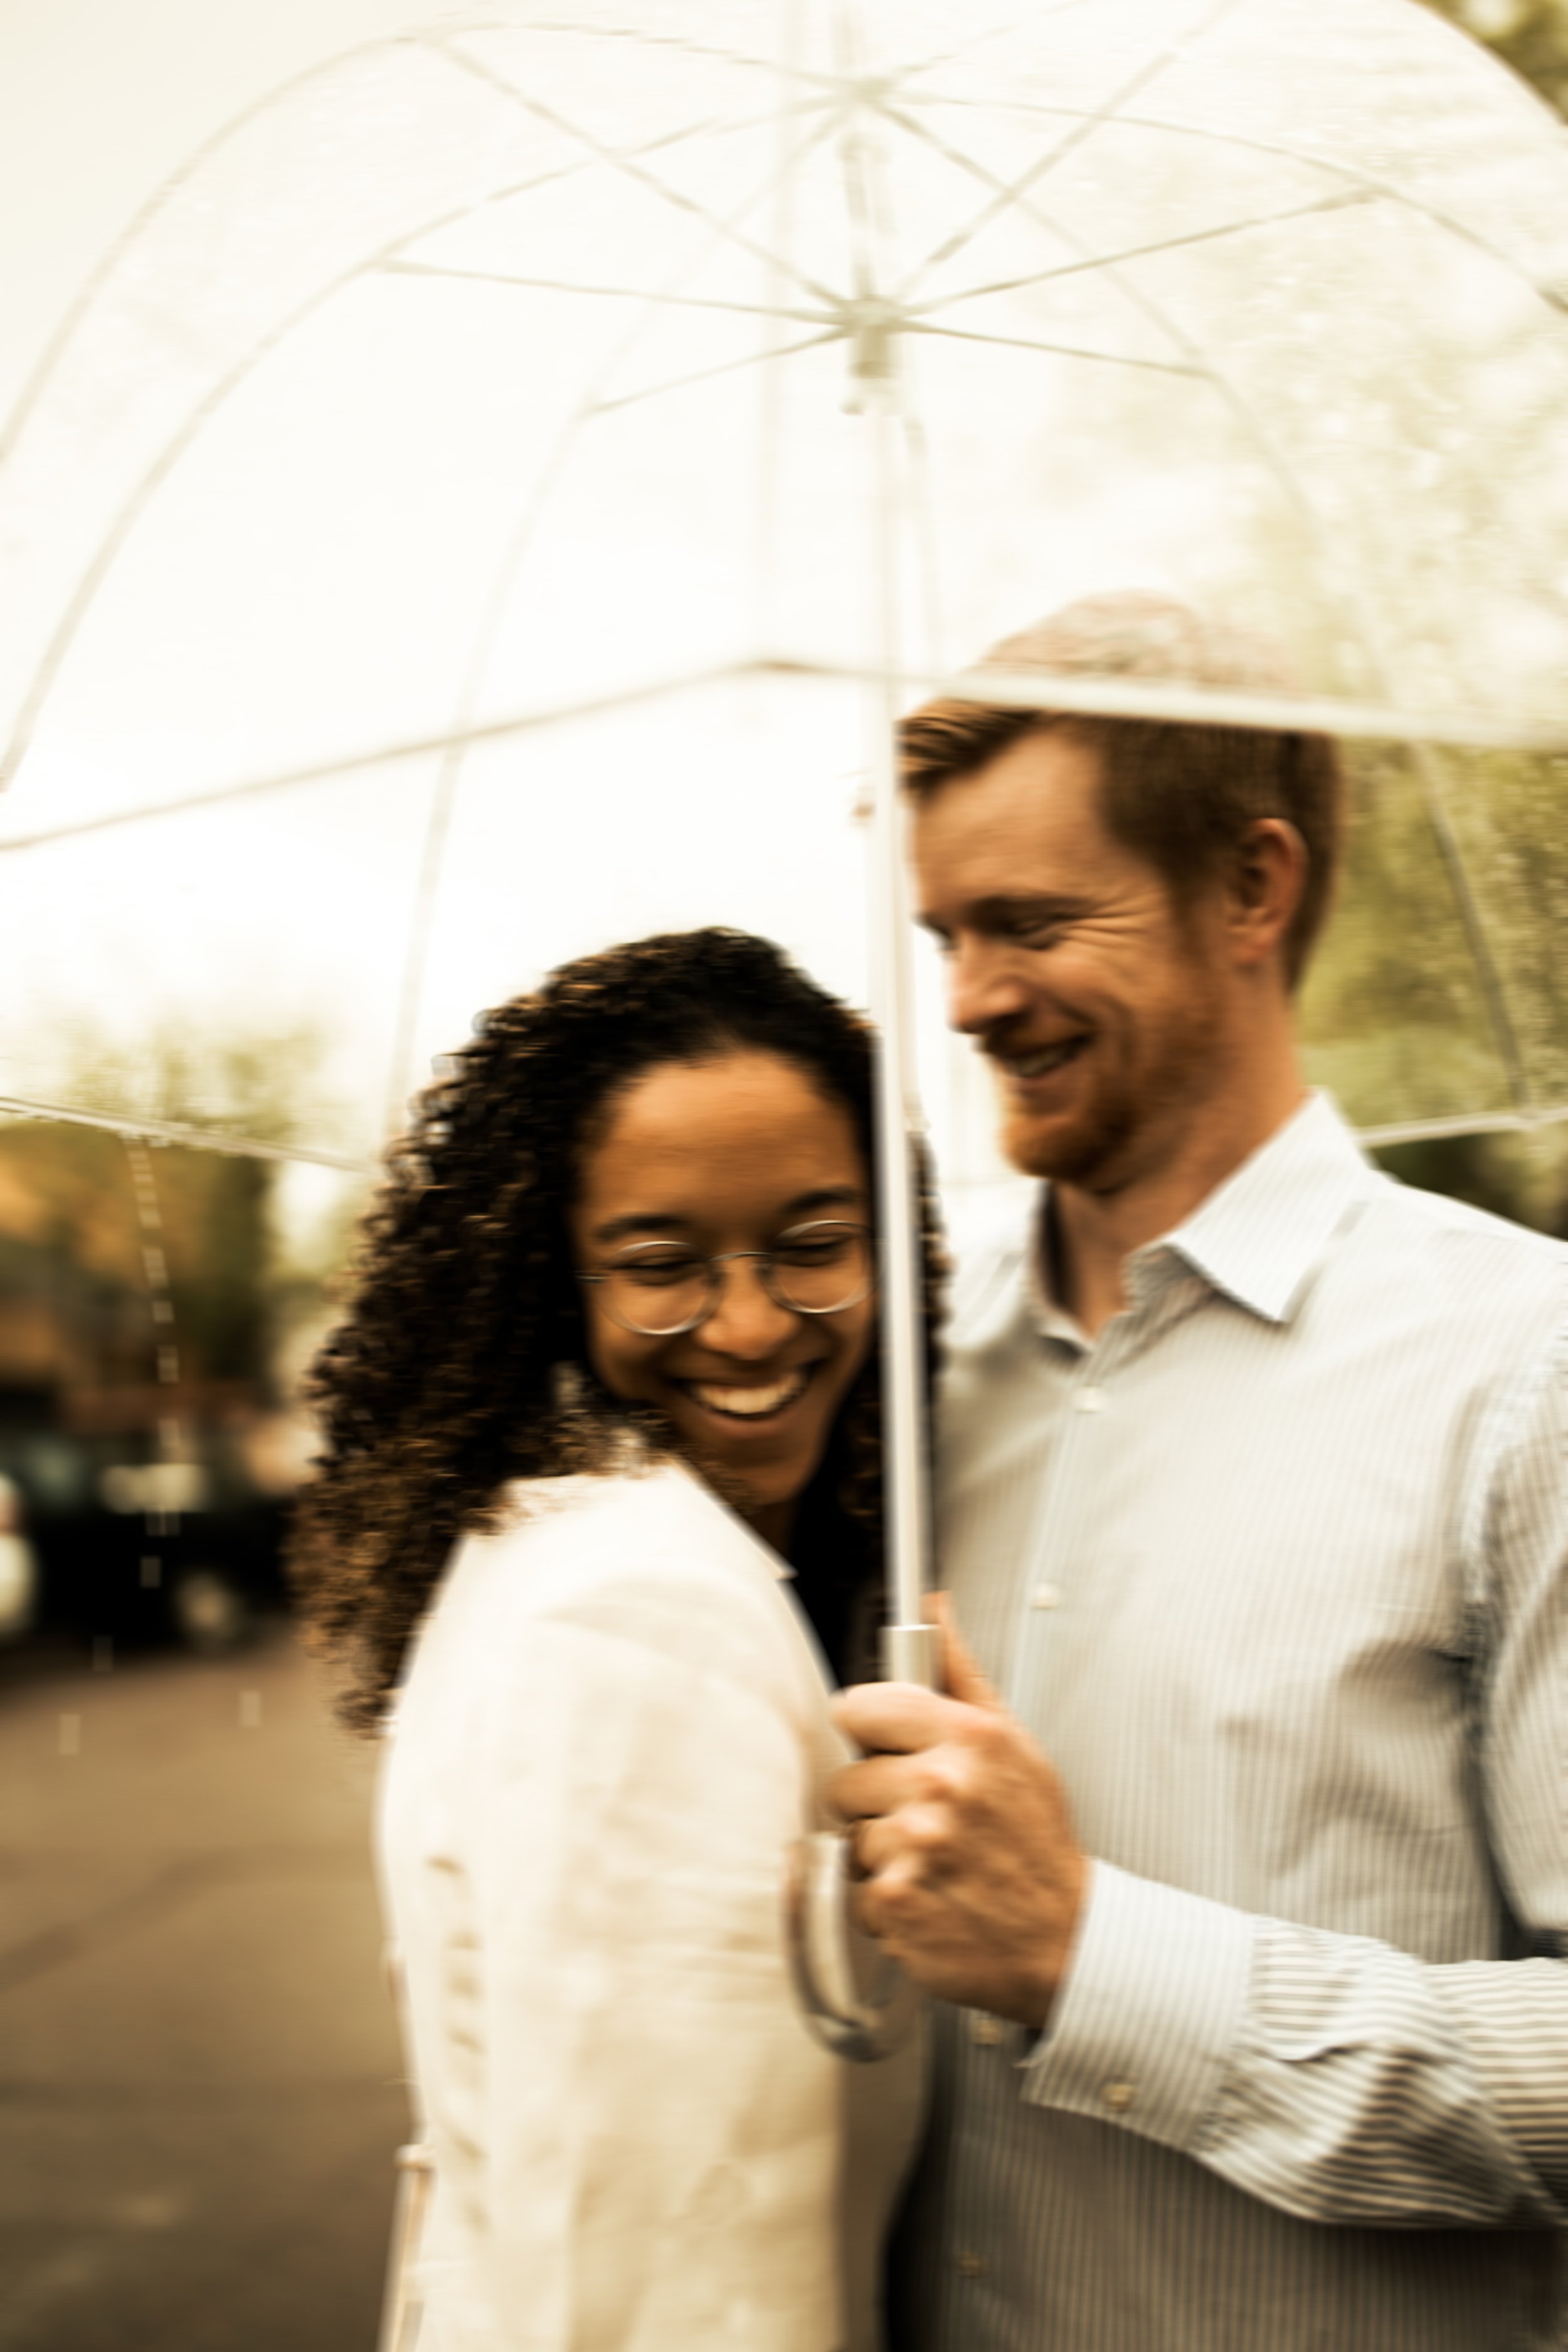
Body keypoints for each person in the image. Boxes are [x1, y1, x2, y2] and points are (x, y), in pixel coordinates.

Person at [830, 595, 1568, 2350]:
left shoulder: (1520, 1369)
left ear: (1251, 887)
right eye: (942, 932)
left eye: (1025, 922)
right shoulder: (905, 1365)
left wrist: (1092, 1955)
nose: (968, 1000)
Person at [290, 927, 942, 2352]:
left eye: (815, 1246)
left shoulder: (558, 1536)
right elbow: (686, 2289)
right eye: (662, 1264)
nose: (754, 1324)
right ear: (555, 1282)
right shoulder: (644, 1613)